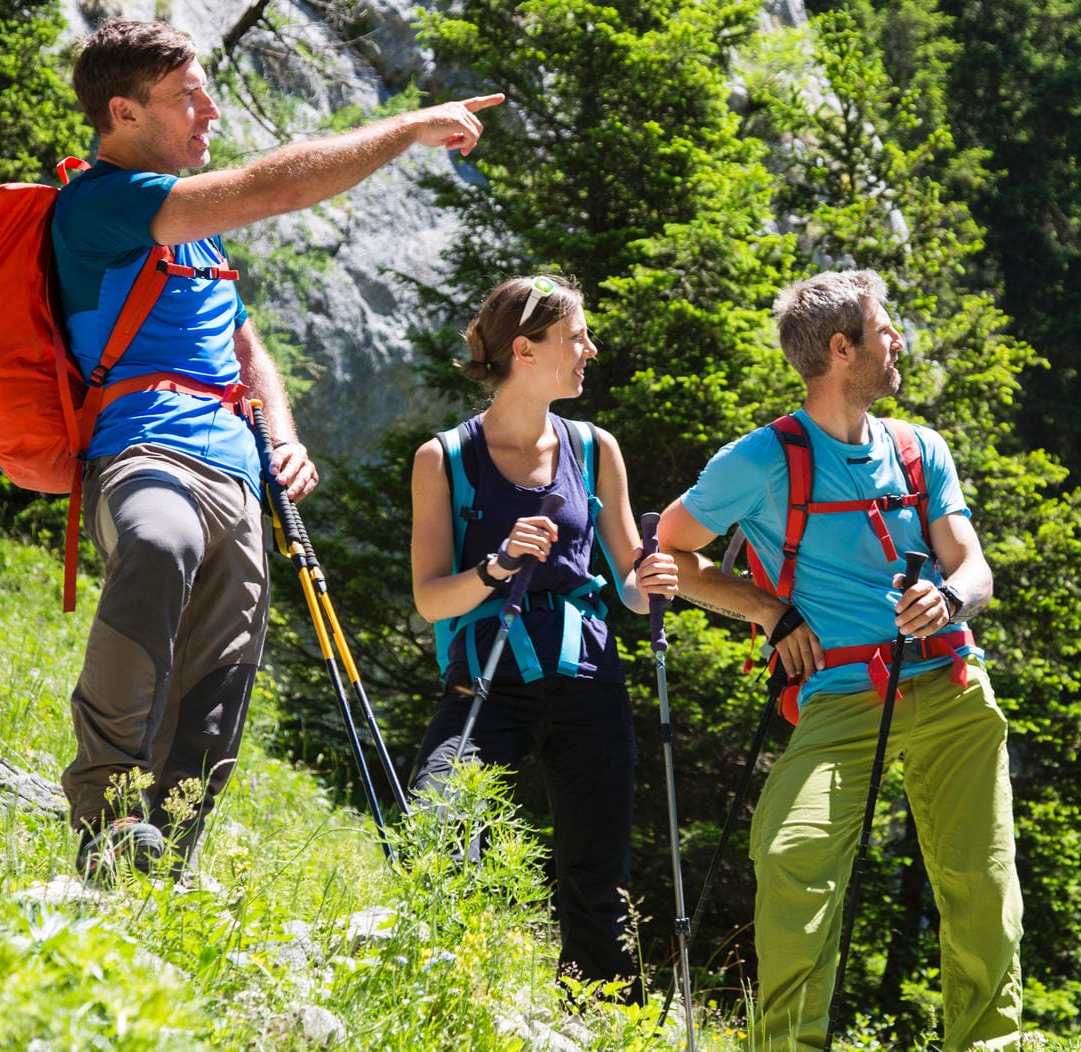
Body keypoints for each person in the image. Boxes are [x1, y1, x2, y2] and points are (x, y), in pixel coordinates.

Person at [54, 18, 503, 882]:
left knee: (223, 680)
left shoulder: (193, 236)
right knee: (158, 541)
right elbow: (274, 187)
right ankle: (107, 814)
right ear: (122, 111)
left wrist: (285, 435)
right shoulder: (105, 203)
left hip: (238, 469)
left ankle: (163, 865)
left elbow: (244, 344)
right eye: (187, 96)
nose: (209, 110)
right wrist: (408, 129)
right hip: (144, 447)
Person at [657, 270, 1023, 1049]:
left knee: (982, 888)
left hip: (953, 688)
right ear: (839, 347)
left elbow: (975, 568)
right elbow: (666, 555)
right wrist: (765, 608)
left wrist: (950, 599)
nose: (898, 341)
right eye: (883, 329)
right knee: (792, 853)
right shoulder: (758, 461)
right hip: (841, 698)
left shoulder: (921, 449)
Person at [407, 274, 679, 1002]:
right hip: (486, 674)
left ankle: (602, 1017)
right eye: (576, 337)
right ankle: (435, 991)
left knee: (597, 867)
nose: (590, 349)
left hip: (587, 674)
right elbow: (433, 599)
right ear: (525, 350)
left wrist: (649, 580)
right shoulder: (445, 459)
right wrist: (495, 567)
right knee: (441, 825)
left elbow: (625, 578)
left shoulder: (595, 449)